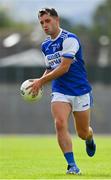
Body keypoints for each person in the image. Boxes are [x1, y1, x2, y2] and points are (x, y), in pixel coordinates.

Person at [28, 8, 96, 175]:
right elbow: (51, 68)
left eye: (47, 21)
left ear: (56, 20)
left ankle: (89, 137)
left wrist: (41, 81)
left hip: (80, 90)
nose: (45, 25)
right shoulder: (45, 46)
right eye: (42, 22)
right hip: (60, 90)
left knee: (82, 132)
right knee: (59, 123)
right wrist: (40, 84)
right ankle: (72, 165)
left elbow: (64, 68)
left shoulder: (70, 39)